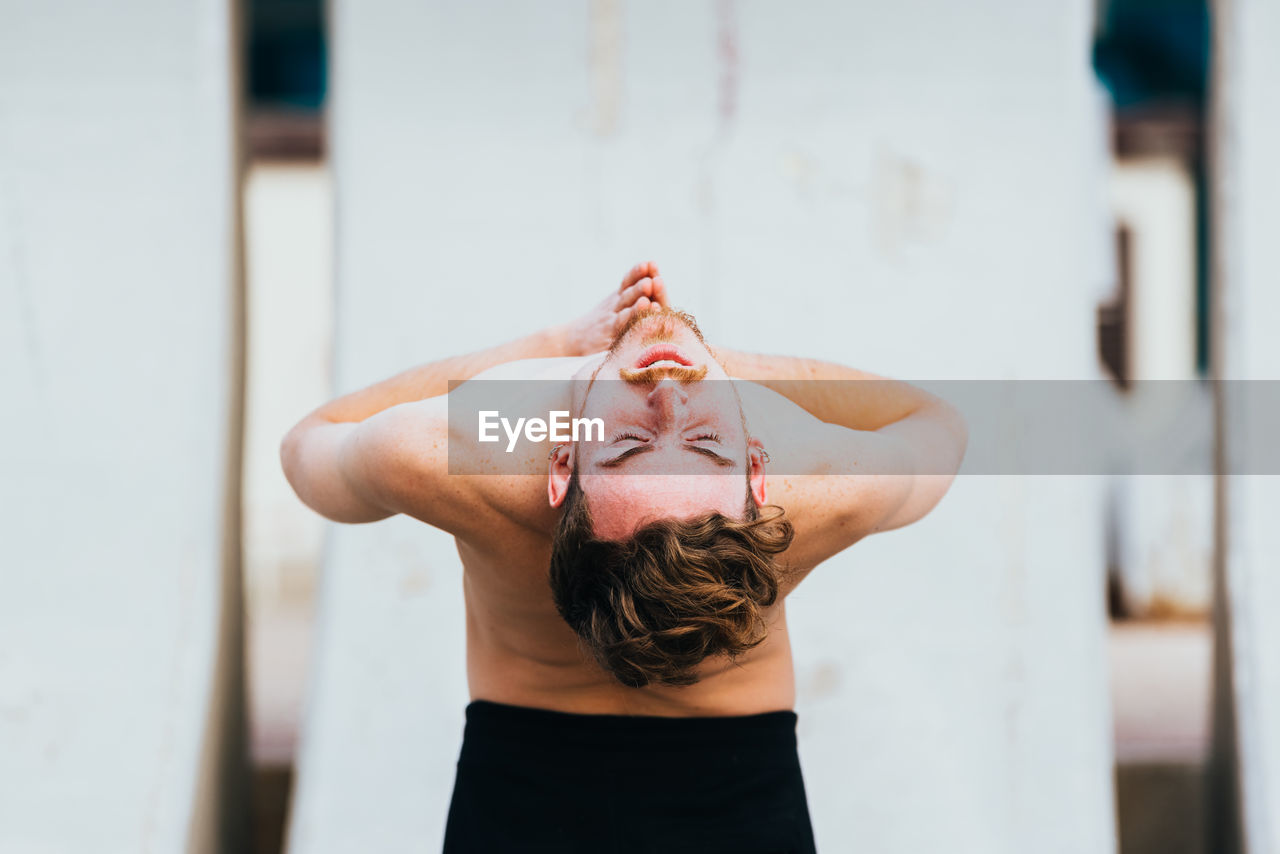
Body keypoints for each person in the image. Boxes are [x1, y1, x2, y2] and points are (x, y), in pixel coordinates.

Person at [281, 261, 967, 853]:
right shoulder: (816, 484)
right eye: (701, 440)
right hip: (738, 796)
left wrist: (550, 348)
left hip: (518, 796)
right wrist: (723, 369)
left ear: (563, 465)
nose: (668, 393)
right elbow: (940, 423)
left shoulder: (459, 456)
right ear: (756, 476)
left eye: (634, 442)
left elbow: (311, 442)